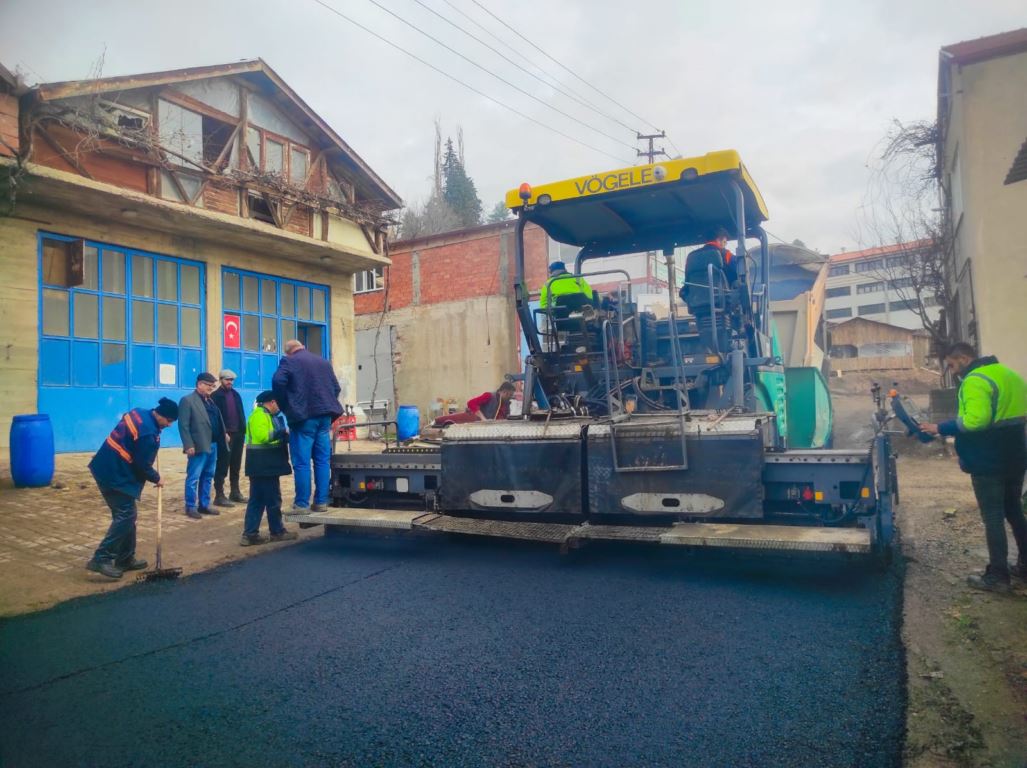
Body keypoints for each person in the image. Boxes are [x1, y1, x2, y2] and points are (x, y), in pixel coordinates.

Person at [921, 342, 1027, 593]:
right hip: (1016, 455)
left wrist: (940, 428)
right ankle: (1025, 566)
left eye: (952, 365)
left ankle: (998, 577)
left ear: (964, 358)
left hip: (989, 460)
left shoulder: (975, 380)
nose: (953, 371)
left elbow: (976, 420)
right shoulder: (1008, 374)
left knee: (992, 518)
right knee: (1013, 511)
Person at [85, 398, 178, 579]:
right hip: (114, 475)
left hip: (106, 466)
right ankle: (101, 558)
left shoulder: (140, 412)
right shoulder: (148, 434)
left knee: (126, 516)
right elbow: (141, 465)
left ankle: (125, 558)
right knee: (126, 515)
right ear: (160, 415)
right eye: (169, 421)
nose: (169, 425)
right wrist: (157, 478)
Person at [272, 339, 343, 513]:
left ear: (288, 352)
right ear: (303, 346)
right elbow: (336, 388)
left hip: (303, 418)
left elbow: (277, 381)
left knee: (302, 462)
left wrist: (286, 406)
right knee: (322, 461)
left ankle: (302, 504)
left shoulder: (289, 361)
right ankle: (321, 502)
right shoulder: (323, 362)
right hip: (324, 417)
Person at [241, 391, 298, 546]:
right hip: (264, 464)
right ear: (272, 402)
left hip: (261, 465)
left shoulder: (265, 415)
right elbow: (263, 436)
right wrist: (282, 432)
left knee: (257, 500)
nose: (279, 408)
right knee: (272, 499)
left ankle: (250, 534)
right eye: (278, 404)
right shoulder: (260, 415)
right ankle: (277, 531)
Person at [679, 227, 738, 354]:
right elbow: (739, 272)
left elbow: (687, 284)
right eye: (725, 241)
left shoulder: (691, 257)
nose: (725, 244)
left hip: (698, 308)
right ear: (719, 239)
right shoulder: (726, 255)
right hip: (721, 306)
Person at [179, 372, 226, 520]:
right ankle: (190, 506)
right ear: (199, 384)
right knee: (194, 477)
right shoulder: (187, 401)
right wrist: (188, 444)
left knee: (208, 476)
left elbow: (216, 419)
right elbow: (183, 425)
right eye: (208, 385)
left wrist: (223, 432)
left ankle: (204, 504)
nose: (211, 388)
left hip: (213, 444)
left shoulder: (209, 401)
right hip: (198, 445)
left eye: (212, 386)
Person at [212, 368, 246, 507]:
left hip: (238, 434)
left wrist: (243, 431)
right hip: (225, 436)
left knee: (236, 464)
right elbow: (215, 418)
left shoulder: (236, 395)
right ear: (221, 380)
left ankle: (235, 492)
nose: (230, 382)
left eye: (231, 380)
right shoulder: (215, 396)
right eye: (227, 380)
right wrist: (222, 432)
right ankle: (219, 495)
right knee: (222, 464)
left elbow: (241, 413)